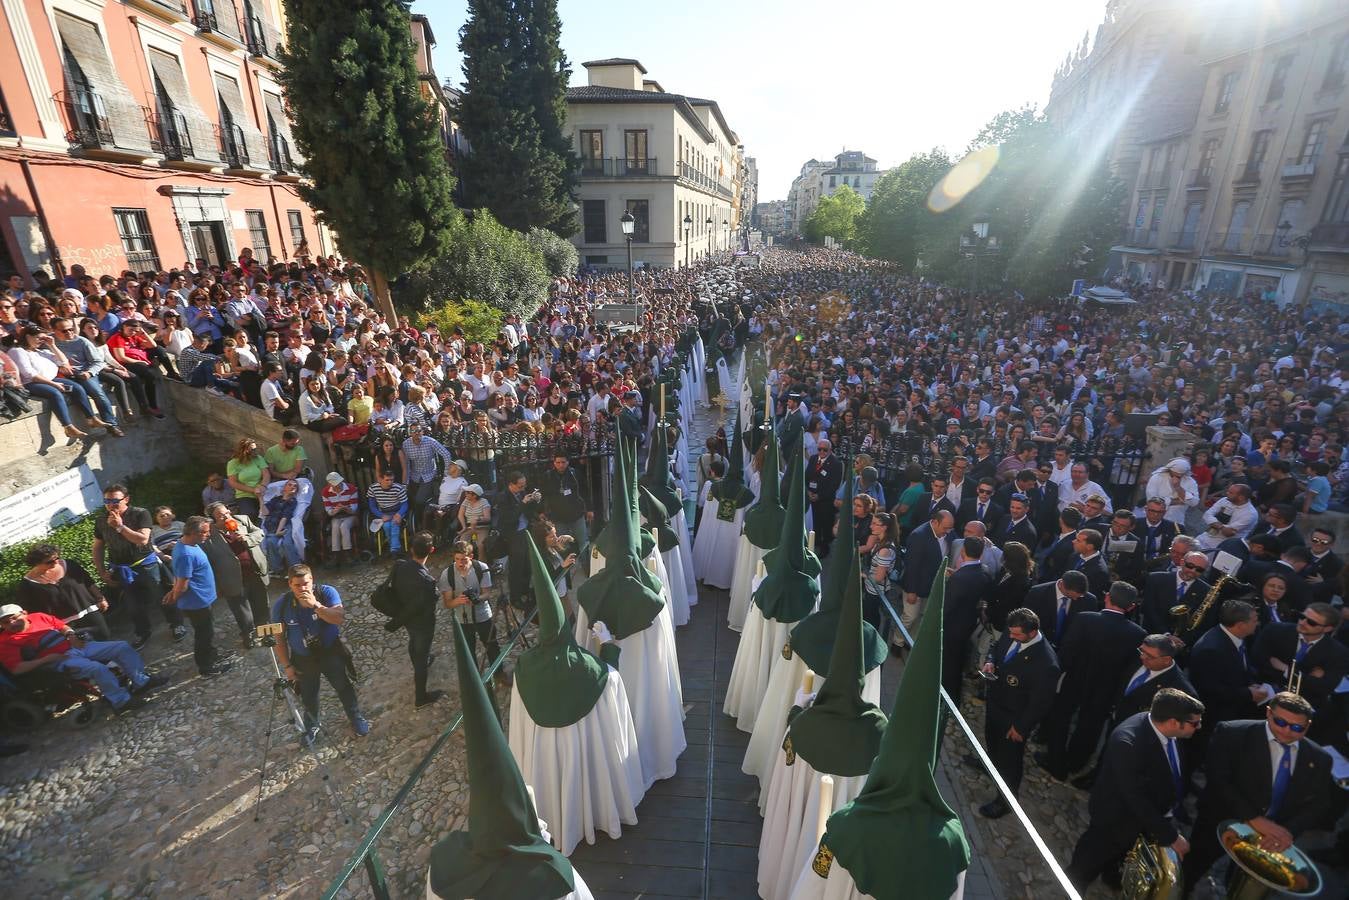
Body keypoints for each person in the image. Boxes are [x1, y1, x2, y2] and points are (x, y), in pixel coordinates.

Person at [1181, 692, 1345, 894]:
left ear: (1308, 725)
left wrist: (1289, 832)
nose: (1286, 731)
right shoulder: (1232, 733)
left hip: (1271, 840)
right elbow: (1219, 780)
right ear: (1268, 713)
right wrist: (1253, 818)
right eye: (1280, 722)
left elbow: (1319, 803)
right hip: (1219, 821)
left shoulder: (1319, 758)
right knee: (1193, 868)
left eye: (1296, 728)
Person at [1065, 688, 1205, 891]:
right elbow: (1135, 797)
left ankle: (1111, 875)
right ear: (1174, 722)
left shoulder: (1164, 728)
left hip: (1139, 823)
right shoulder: (1128, 743)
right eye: (1195, 723)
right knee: (1083, 869)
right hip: (1115, 824)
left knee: (1116, 860)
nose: (1199, 727)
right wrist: (1170, 836)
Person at [1039, 581, 1146, 782]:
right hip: (1106, 689)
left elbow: (1067, 652)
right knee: (1090, 726)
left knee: (1060, 718)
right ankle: (1075, 762)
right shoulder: (1138, 634)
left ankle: (1055, 760)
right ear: (1131, 607)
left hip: (1074, 680)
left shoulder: (1085, 619)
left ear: (1107, 597)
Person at [0, 604, 167, 714]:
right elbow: (17, 668)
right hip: (58, 661)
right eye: (6, 622)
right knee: (96, 668)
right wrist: (46, 659)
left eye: (14, 617)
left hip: (77, 646)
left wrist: (70, 635)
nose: (12, 623)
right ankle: (120, 702)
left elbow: (61, 625)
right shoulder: (5, 641)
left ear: (24, 613)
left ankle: (142, 682)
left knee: (122, 646)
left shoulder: (38, 617)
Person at [271, 564, 368, 742]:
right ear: (290, 585)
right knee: (308, 695)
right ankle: (312, 726)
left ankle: (356, 717)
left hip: (330, 652)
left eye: (306, 583)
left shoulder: (326, 593)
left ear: (312, 580)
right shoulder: (282, 605)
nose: (303, 588)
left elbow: (338, 618)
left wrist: (316, 606)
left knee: (344, 687)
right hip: (303, 659)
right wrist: (287, 666)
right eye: (297, 585)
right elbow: (279, 639)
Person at [978, 607, 1060, 818]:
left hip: (1014, 720)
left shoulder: (1046, 663)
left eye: (1016, 635)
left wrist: (1021, 727)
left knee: (1010, 762)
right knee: (992, 743)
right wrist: (990, 661)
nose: (1012, 636)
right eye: (1011, 632)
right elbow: (996, 647)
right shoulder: (1013, 630)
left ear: (1032, 633)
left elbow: (1041, 703)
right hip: (996, 704)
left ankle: (1005, 800)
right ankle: (990, 765)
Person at [93, 482, 186, 649]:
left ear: (126, 499)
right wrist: (101, 571)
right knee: (132, 605)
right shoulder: (101, 521)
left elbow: (142, 539)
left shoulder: (140, 514)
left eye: (115, 501)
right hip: (121, 568)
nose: (110, 505)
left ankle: (176, 624)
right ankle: (142, 632)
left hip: (145, 565)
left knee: (162, 596)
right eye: (107, 502)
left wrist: (120, 526)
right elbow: (98, 547)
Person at [164, 516, 233, 677]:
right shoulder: (186, 554)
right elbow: (183, 584)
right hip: (196, 602)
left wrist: (172, 591)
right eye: (205, 532)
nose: (208, 535)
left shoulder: (186, 544)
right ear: (194, 533)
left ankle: (212, 655)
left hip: (201, 599)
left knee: (207, 631)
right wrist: (174, 595)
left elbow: (178, 575)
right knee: (204, 634)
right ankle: (206, 667)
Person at [385, 531, 445, 708]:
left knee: (414, 644)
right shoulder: (427, 581)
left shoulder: (400, 566)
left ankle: (422, 662)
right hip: (422, 622)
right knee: (421, 655)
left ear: (411, 549)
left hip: (406, 618)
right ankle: (421, 696)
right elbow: (429, 605)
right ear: (432, 550)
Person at [15, 544, 112, 641]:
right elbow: (30, 609)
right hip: (63, 624)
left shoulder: (70, 565)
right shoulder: (28, 584)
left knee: (105, 638)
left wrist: (100, 598)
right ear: (36, 563)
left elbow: (88, 582)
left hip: (89, 611)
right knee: (80, 649)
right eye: (49, 562)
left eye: (57, 558)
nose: (56, 562)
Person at [942, 535, 992, 704]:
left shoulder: (960, 578)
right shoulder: (984, 571)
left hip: (953, 627)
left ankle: (948, 698)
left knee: (950, 664)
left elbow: (948, 605)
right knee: (958, 659)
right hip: (969, 623)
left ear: (963, 552)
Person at [439, 540, 501, 674]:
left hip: (483, 615)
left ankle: (499, 673)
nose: (460, 563)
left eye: (464, 559)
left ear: (471, 556)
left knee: (492, 646)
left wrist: (478, 599)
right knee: (468, 652)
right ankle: (475, 679)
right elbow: (448, 603)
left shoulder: (481, 568)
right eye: (457, 559)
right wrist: (459, 600)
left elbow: (487, 593)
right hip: (463, 620)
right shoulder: (447, 574)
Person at [1021, 569, 1093, 648]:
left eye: (1079, 596)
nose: (1075, 599)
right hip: (1041, 646)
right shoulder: (1037, 593)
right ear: (1061, 584)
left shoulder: (1089, 600)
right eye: (1070, 595)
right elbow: (1026, 621)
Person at [806, 438, 843, 557]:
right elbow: (807, 476)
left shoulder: (836, 464)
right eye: (819, 449)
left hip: (825, 500)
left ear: (830, 450)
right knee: (814, 522)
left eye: (825, 450)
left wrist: (819, 495)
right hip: (811, 497)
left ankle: (824, 547)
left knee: (825, 524)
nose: (821, 452)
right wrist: (808, 492)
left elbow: (834, 484)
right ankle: (814, 543)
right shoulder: (812, 459)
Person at [320, 471, 359, 566]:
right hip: (336, 516)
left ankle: (348, 554)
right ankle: (336, 555)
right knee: (335, 527)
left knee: (344, 526)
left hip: (350, 516)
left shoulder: (351, 489)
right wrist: (335, 511)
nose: (337, 486)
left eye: (338, 483)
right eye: (335, 484)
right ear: (330, 484)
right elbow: (328, 510)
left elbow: (354, 509)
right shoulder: (325, 492)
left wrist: (345, 508)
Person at [368, 470, 410, 557]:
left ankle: (394, 549)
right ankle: (394, 548)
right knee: (386, 526)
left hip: (397, 510)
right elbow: (372, 506)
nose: (390, 482)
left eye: (392, 480)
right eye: (387, 480)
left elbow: (405, 504)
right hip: (384, 512)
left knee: (394, 523)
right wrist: (381, 515)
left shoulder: (398, 488)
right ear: (381, 479)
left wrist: (399, 514)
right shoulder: (373, 488)